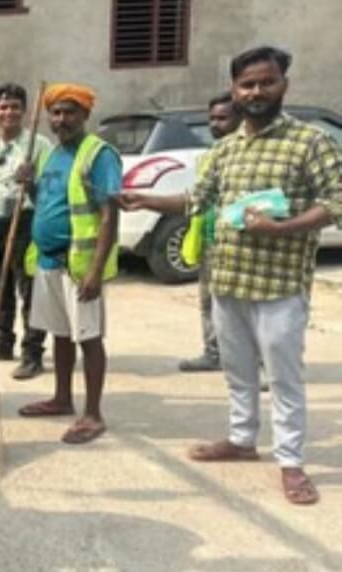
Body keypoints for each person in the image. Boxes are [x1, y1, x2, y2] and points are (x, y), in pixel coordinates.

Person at [120, 46, 342, 505]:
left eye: (266, 82)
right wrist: (145, 200)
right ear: (235, 90)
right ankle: (242, 440)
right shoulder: (224, 149)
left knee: (283, 377)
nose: (256, 91)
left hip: (280, 284)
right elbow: (195, 200)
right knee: (237, 371)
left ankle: (291, 462)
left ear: (284, 85)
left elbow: (336, 201)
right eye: (247, 84)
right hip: (227, 280)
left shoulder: (310, 142)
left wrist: (282, 227)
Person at [15, 83, 122, 445]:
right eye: (56, 113)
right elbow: (47, 201)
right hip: (48, 261)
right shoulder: (52, 154)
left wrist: (95, 271)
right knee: (60, 334)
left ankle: (93, 414)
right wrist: (29, 184)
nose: (61, 119)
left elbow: (109, 214)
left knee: (88, 337)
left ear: (85, 114)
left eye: (70, 112)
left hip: (79, 265)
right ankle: (62, 398)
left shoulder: (99, 155)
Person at [0, 82, 54, 379]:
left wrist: (30, 183)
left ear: (25, 111)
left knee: (29, 289)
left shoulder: (39, 145)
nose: (9, 112)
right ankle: (3, 343)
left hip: (27, 220)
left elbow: (50, 190)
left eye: (15, 107)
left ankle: (32, 354)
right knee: (0, 287)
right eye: (3, 107)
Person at [178, 93, 241, 373]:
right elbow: (198, 198)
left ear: (240, 118)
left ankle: (258, 363)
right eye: (212, 118)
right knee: (208, 302)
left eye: (222, 118)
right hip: (209, 239)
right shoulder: (210, 155)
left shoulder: (245, 155)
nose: (215, 124)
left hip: (236, 243)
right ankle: (213, 353)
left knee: (240, 306)